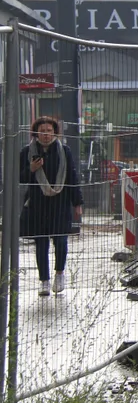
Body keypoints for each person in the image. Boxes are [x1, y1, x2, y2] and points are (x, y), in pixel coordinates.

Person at [20, 116, 83, 297]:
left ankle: (59, 274)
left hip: (60, 203)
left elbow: (72, 177)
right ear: (36, 133)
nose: (46, 134)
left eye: (49, 131)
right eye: (42, 131)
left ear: (55, 132)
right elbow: (19, 177)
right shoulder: (27, 151)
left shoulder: (64, 151)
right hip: (38, 205)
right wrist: (31, 169)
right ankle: (44, 281)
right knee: (41, 243)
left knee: (61, 240)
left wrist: (77, 202)